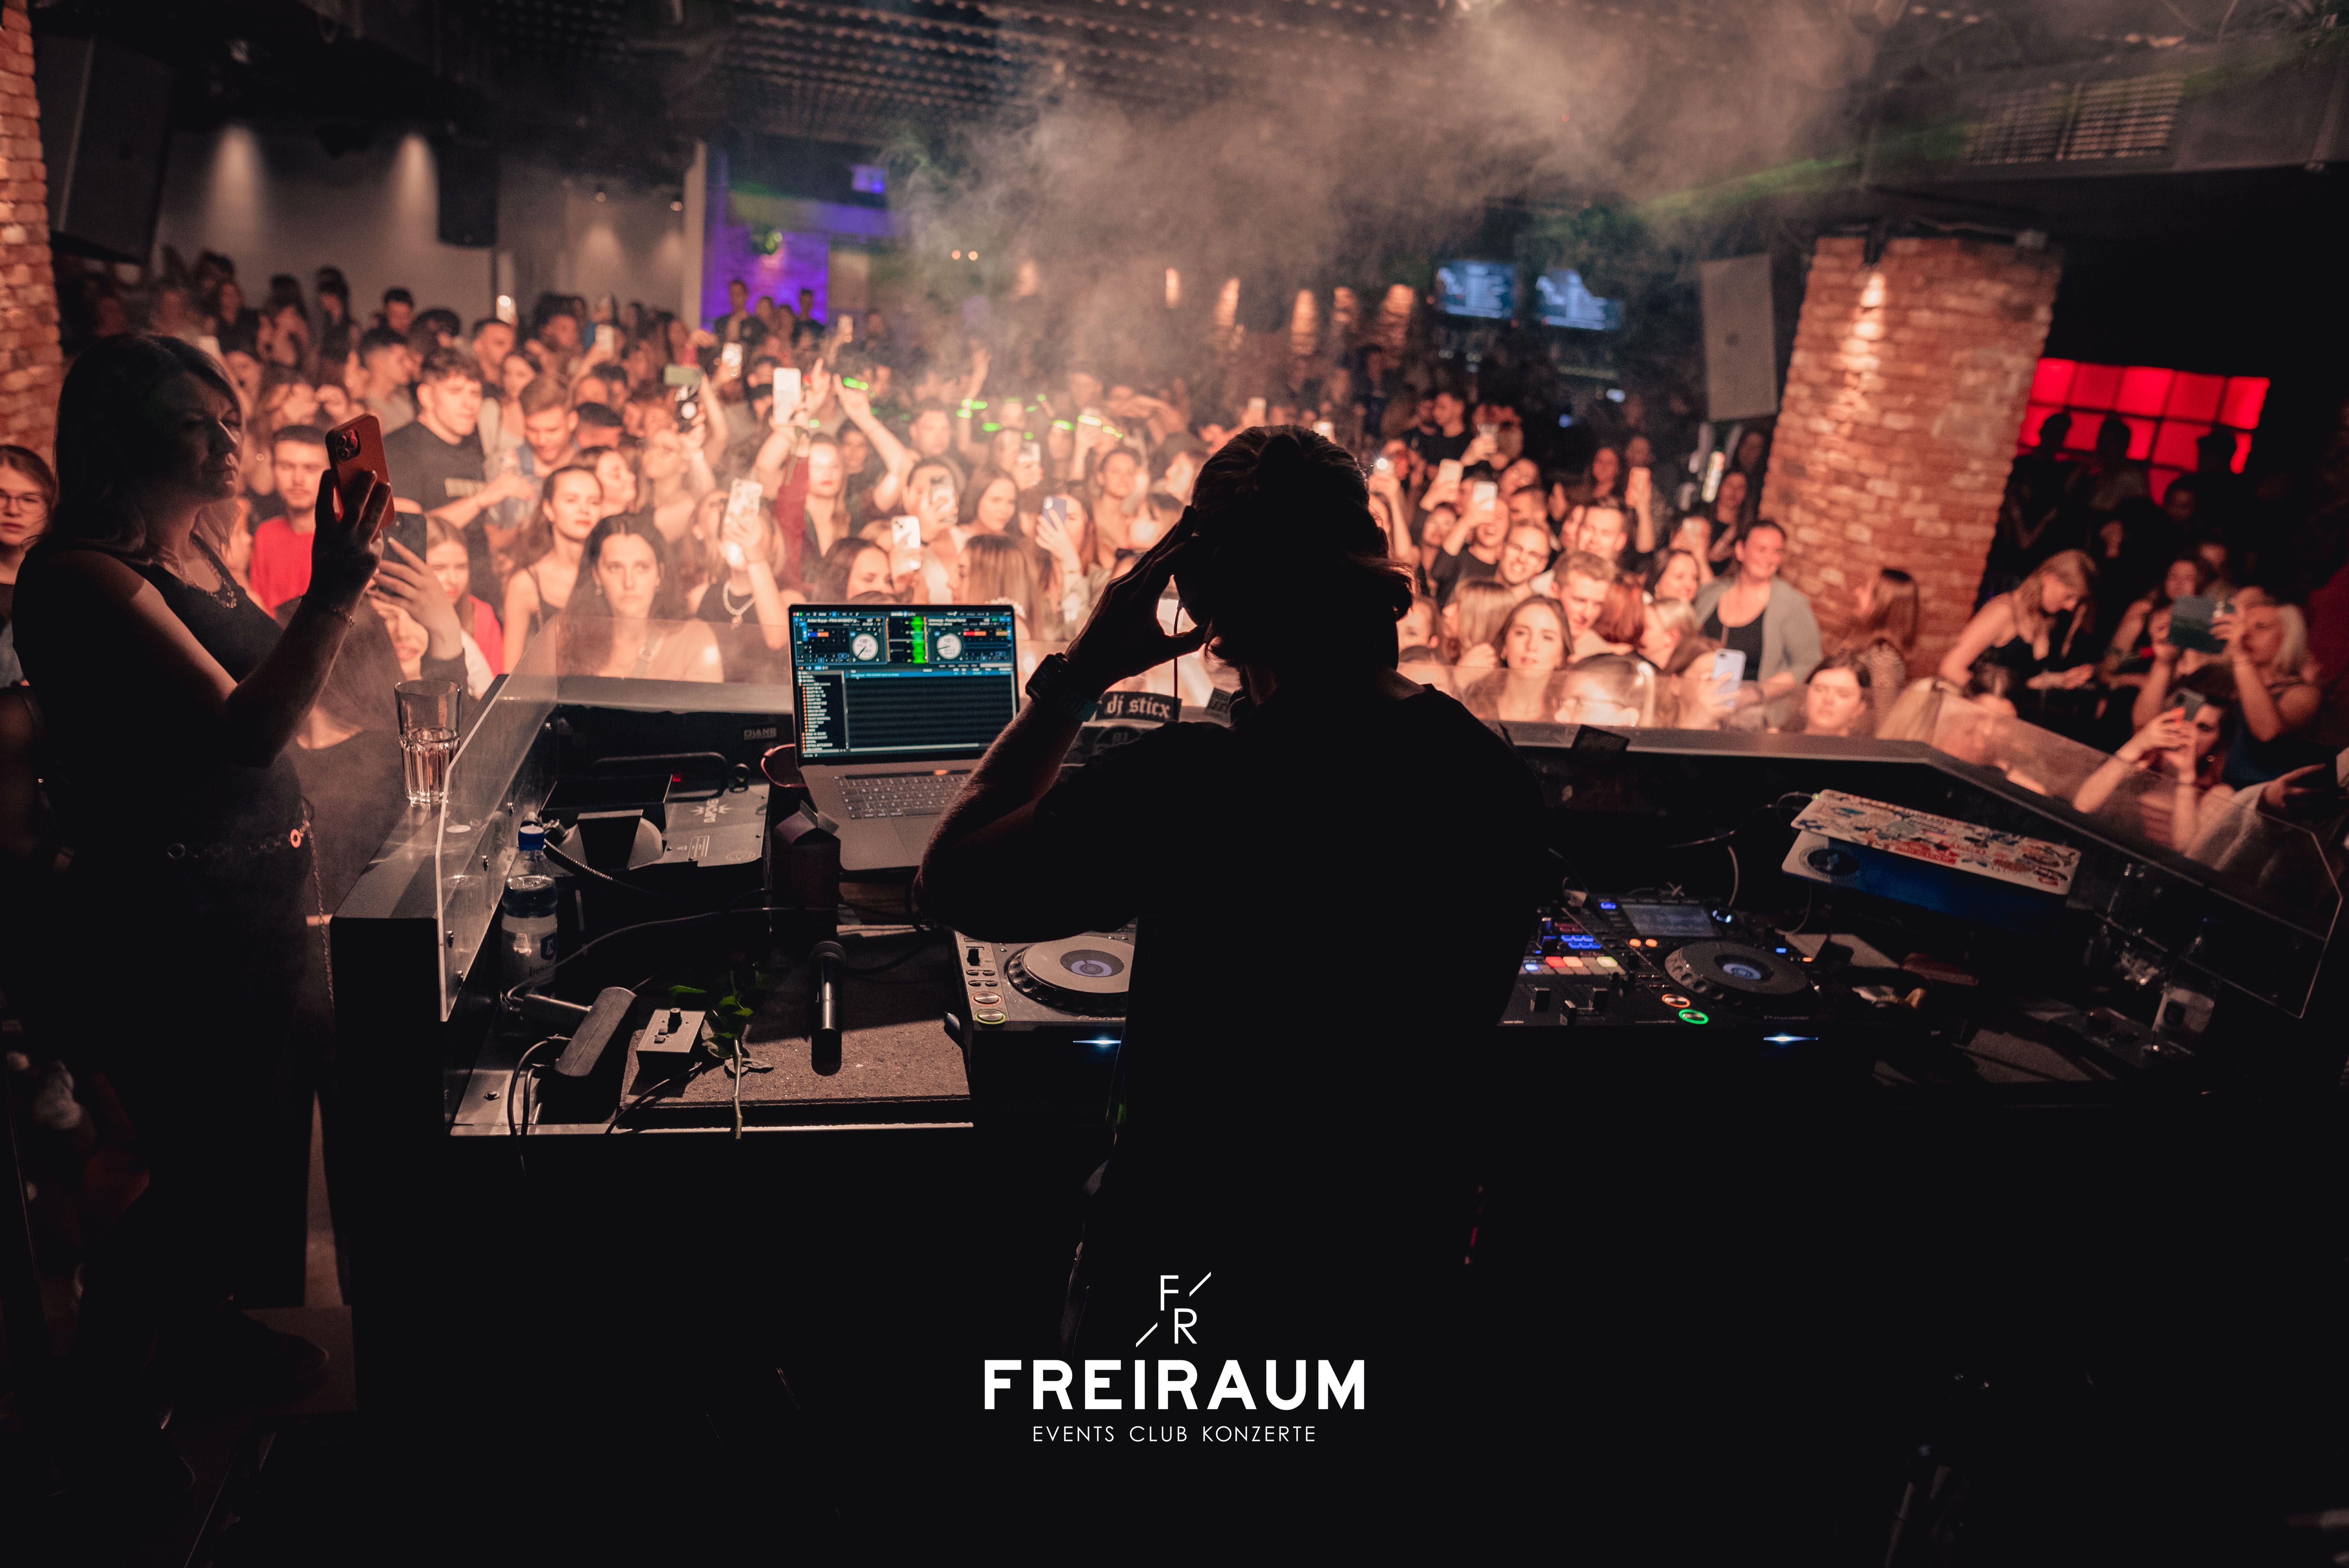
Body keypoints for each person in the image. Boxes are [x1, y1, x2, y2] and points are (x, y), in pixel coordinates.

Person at [916, 425, 1543, 1388]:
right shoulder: (1485, 769)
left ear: (1201, 589)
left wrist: (1082, 670)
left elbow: (950, 880)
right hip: (1389, 1262)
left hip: (1192, 1262)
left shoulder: (1198, 780)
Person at [10, 336, 396, 1490]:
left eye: (231, 417)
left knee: (239, 1166)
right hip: (168, 922)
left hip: (252, 901)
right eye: (197, 421)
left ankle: (203, 1334)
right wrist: (334, 588)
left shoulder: (195, 548)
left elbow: (282, 686)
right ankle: (93, 1413)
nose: (229, 439)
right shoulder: (83, 573)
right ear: (122, 437)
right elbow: (247, 728)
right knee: (196, 1174)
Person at [558, 513, 722, 681]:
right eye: (615, 568)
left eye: (642, 568)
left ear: (660, 574)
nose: (629, 583)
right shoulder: (567, 636)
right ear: (597, 575)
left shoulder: (693, 639)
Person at [1691, 521, 1823, 716]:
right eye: (1762, 550)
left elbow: (1809, 663)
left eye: (1777, 552)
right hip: (1697, 702)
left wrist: (1755, 694)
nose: (1770, 559)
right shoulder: (1714, 593)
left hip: (1751, 714)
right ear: (1740, 551)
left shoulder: (1791, 604)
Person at [2073, 702, 2235, 853]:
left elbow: (2187, 851)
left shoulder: (2218, 794)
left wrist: (2186, 777)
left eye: (2203, 728)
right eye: (2184, 719)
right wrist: (2136, 745)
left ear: (2218, 742)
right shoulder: (2136, 766)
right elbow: (2081, 807)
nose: (2188, 732)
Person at [1939, 549, 2098, 691]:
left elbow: (2021, 682)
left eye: (2077, 600)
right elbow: (1951, 667)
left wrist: (2061, 680)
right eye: (2069, 596)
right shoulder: (2004, 611)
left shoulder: (2042, 619)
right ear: (2049, 578)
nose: (2071, 606)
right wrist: (1985, 701)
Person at [504, 465, 604, 668]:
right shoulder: (526, 583)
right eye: (571, 500)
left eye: (594, 502)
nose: (584, 510)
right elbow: (510, 669)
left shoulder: (612, 573)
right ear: (549, 509)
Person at [246, 425, 331, 616]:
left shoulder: (347, 539)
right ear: (273, 469)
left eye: (311, 469)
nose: (298, 479)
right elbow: (263, 614)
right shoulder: (266, 534)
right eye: (286, 467)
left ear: (331, 474)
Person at [1461, 595, 1572, 722]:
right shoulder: (1470, 710)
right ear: (1504, 646)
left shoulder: (1567, 720)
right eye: (1521, 633)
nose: (1532, 646)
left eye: (1547, 637)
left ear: (1561, 655)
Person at [424, 517, 503, 691]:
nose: (453, 580)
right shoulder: (396, 619)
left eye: (461, 567)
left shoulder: (481, 615)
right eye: (439, 568)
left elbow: (491, 693)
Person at [0, 445, 54, 685]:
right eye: (0, 496)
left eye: (29, 500)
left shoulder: (65, 585)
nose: (13, 510)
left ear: (49, 508)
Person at [1838, 567, 1919, 725]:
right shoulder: (1867, 644)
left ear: (1882, 604)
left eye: (1865, 589)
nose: (1857, 592)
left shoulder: (1883, 658)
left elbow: (1883, 720)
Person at [1789, 654, 1871, 737]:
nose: (1828, 699)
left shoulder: (1869, 745)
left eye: (1843, 694)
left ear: (1860, 708)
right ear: (1805, 694)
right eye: (1820, 690)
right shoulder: (1782, 741)